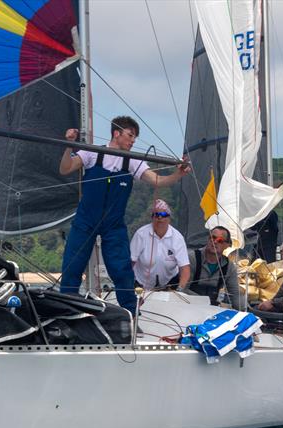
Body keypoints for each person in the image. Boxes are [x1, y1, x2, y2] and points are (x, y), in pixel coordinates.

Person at [58, 116, 190, 315]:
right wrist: (69, 146)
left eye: (135, 137)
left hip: (113, 225)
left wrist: (178, 174)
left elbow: (156, 181)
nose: (133, 141)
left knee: (122, 271)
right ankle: (66, 313)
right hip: (85, 221)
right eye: (130, 135)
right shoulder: (93, 153)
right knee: (72, 267)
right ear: (116, 133)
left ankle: (130, 314)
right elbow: (65, 168)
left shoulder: (131, 162)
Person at [129, 199, 190, 290]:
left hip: (170, 282)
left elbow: (185, 268)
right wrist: (126, 283)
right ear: (152, 218)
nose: (160, 218)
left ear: (169, 218)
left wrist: (180, 289)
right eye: (156, 215)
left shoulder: (177, 238)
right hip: (141, 284)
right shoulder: (140, 234)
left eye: (163, 215)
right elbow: (130, 262)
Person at [186, 226, 243, 309]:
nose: (215, 242)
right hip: (188, 306)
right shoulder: (192, 258)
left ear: (227, 245)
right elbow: (182, 288)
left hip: (211, 309)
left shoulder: (229, 266)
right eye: (213, 238)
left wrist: (245, 311)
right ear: (208, 239)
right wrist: (204, 302)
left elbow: (235, 294)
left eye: (220, 240)